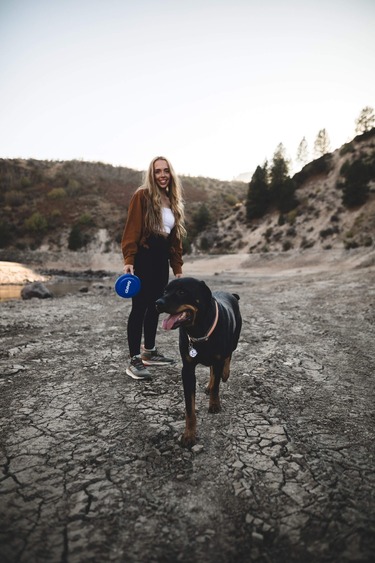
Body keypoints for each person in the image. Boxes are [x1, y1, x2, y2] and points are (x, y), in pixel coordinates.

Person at [121, 156, 186, 380]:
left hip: (161, 262)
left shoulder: (173, 200)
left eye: (165, 171)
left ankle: (149, 352)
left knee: (155, 307)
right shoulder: (142, 196)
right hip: (144, 258)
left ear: (171, 173)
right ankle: (133, 360)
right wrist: (129, 260)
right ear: (151, 174)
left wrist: (177, 267)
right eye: (157, 171)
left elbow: (175, 240)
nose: (162, 175)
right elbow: (131, 229)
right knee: (139, 308)